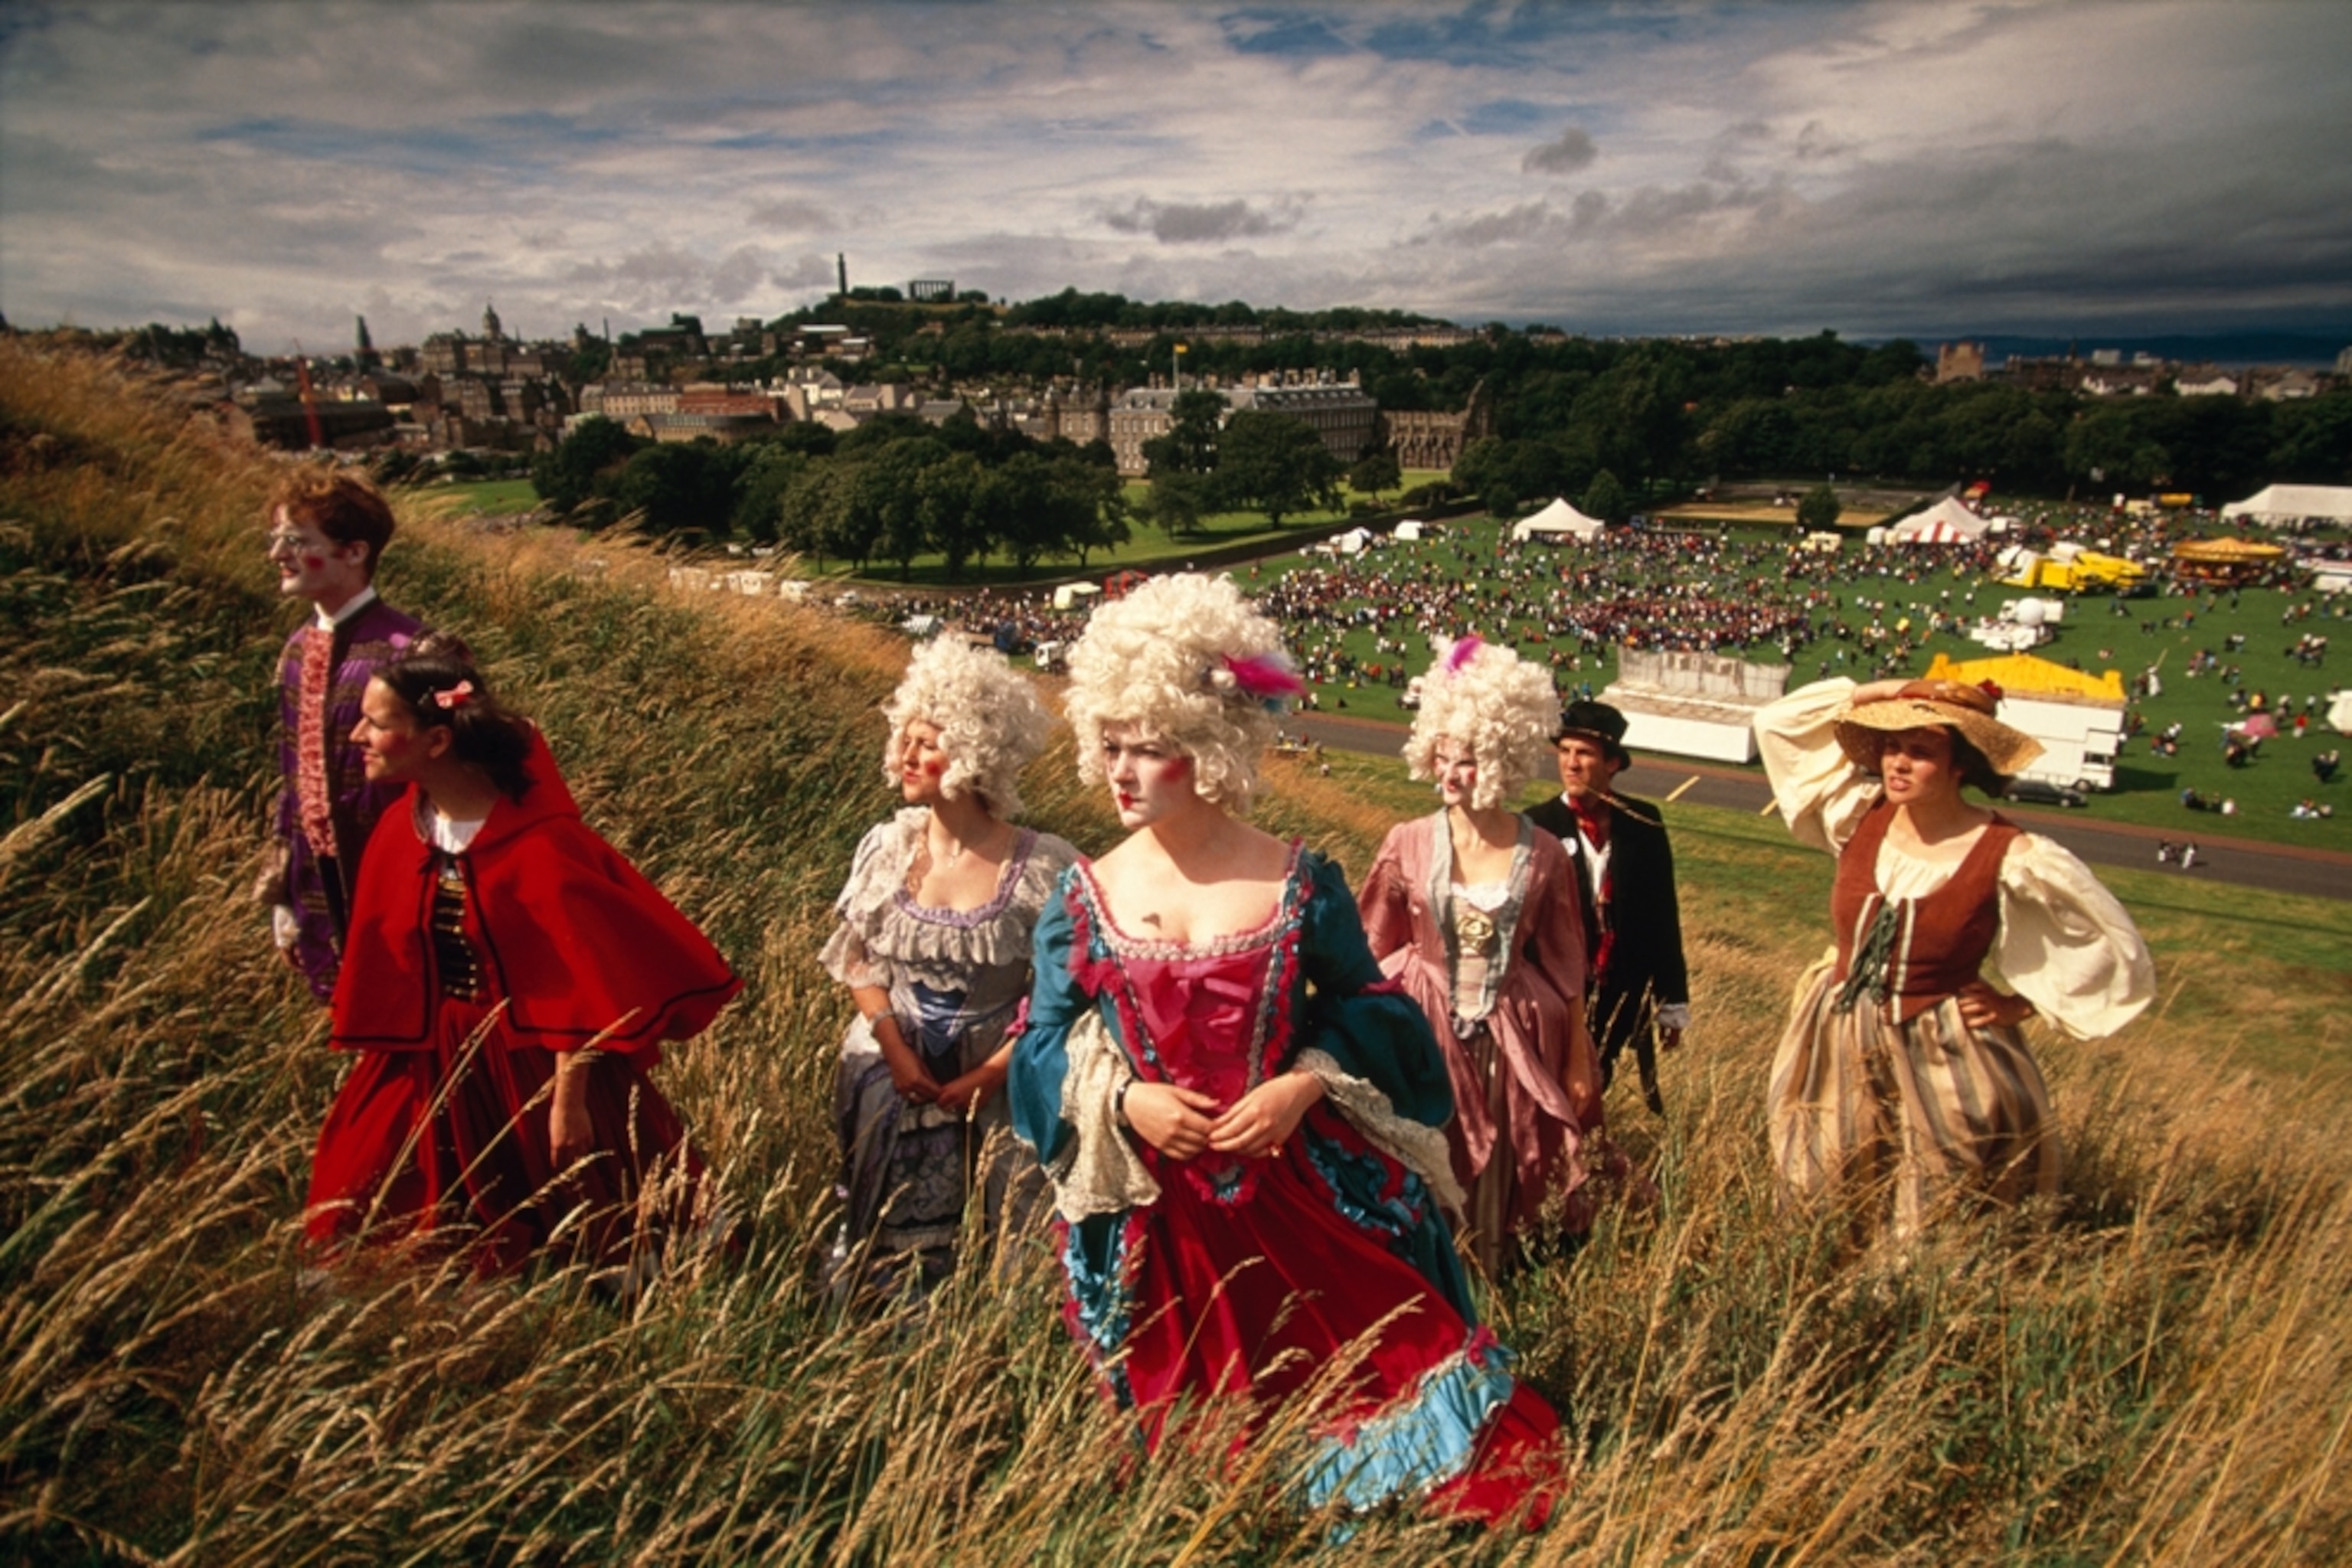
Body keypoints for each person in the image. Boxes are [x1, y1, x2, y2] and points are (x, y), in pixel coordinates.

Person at [1010, 575, 1560, 1525]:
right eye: (1112, 741)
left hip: (1297, 1182)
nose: (1122, 769)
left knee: (1372, 1366)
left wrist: (1303, 1085)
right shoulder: (1083, 893)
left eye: (1154, 746)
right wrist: (1125, 1103)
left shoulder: (1298, 877)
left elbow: (1378, 1009)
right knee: (1197, 1427)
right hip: (1163, 1208)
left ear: (1212, 746)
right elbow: (1040, 1045)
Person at [308, 637, 739, 1276]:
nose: (357, 738)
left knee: (591, 1223)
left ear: (435, 741)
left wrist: (569, 1101)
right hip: (429, 1058)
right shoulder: (402, 833)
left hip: (534, 1061)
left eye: (377, 723)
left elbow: (582, 981)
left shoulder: (540, 847)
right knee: (366, 1201)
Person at [1755, 676, 2154, 1237]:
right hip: (1839, 1025)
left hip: (1941, 1039)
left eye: (1920, 753)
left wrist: (2024, 1006)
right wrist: (1898, 687)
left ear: (1959, 764)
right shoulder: (1857, 817)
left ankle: (1916, 1299)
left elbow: (2110, 944)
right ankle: (1823, 1283)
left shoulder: (2010, 852)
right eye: (1892, 747)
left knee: (1941, 1182)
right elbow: (1777, 724)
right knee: (1825, 1167)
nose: (1897, 763)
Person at [819, 639, 1076, 1298]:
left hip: (997, 1079)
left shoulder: (1043, 865)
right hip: (891, 1070)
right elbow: (859, 958)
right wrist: (894, 1050)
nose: (905, 755)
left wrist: (992, 1073)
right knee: (882, 1236)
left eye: (925, 741)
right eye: (902, 739)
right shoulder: (887, 845)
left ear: (973, 753)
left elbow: (1062, 992)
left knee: (995, 1243)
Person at [1358, 638, 1602, 1276]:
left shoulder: (1546, 851)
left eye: (1466, 760)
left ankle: (1488, 1290)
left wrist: (1577, 1059)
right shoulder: (1406, 841)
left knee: (1501, 1172)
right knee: (1425, 1161)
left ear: (1500, 759)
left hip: (1512, 1041)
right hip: (1423, 1035)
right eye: (1441, 754)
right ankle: (1418, 1285)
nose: (1449, 772)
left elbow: (1569, 964)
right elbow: (1368, 949)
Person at [257, 468, 425, 1000]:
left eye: (297, 541)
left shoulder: (415, 650)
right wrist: (283, 894)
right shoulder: (296, 651)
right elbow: (294, 779)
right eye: (276, 539)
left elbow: (456, 779)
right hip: (321, 891)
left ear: (354, 552)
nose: (277, 555)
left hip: (406, 882)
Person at [1525, 700, 1691, 1117]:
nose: (1571, 763)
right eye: (1564, 752)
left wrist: (1672, 1001)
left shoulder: (1643, 823)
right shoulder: (1536, 824)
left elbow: (1661, 914)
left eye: (1584, 754)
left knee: (1597, 1090)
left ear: (1612, 762)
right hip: (1556, 992)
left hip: (1620, 992)